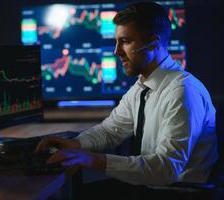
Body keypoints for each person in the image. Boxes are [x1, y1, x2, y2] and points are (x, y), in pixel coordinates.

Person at [36, 1, 218, 197]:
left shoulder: (182, 92)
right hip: (153, 185)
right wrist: (76, 144)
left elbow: (166, 169)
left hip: (180, 193)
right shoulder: (143, 85)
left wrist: (92, 160)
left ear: (154, 43)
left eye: (126, 41)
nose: (116, 51)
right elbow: (110, 130)